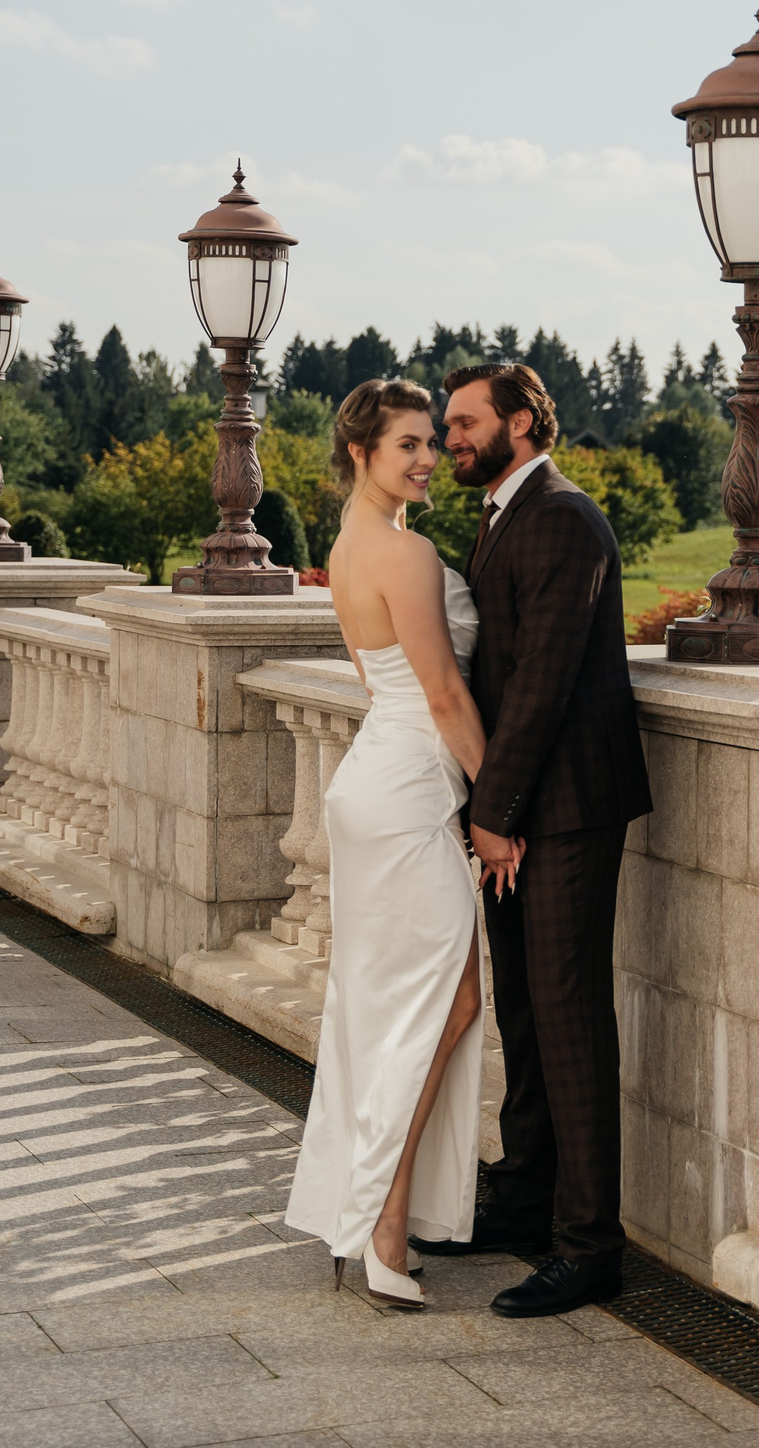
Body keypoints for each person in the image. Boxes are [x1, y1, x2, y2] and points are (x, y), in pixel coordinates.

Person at [406, 361, 652, 1318]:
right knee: (524, 1011)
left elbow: (543, 681)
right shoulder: (504, 513)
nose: (451, 440)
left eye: (465, 422)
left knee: (569, 1017)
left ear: (520, 422)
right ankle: (523, 1200)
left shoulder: (562, 517)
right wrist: (494, 810)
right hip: (520, 811)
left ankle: (590, 1246)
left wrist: (493, 811)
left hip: (568, 809)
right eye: (446, 426)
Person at [283, 379, 514, 1311]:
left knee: (401, 1007)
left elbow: (385, 686)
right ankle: (383, 1218)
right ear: (361, 452)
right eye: (407, 445)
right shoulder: (404, 553)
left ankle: (376, 1210)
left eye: (430, 441)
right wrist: (499, 806)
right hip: (407, 792)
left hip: (380, 783)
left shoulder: (347, 546)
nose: (427, 458)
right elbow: (445, 696)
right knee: (445, 1003)